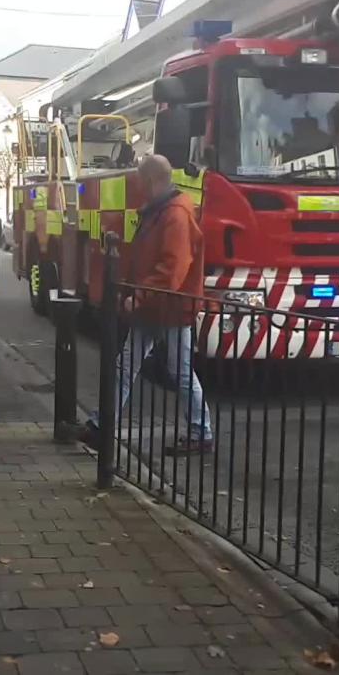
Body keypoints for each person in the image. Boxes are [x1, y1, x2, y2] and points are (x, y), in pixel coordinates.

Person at [89, 155, 214, 455]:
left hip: (169, 308)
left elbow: (172, 269)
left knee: (179, 372)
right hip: (157, 306)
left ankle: (201, 431)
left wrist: (139, 296)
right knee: (131, 366)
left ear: (151, 180)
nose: (138, 188)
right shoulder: (162, 211)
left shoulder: (175, 215)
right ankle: (101, 425)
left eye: (140, 182)